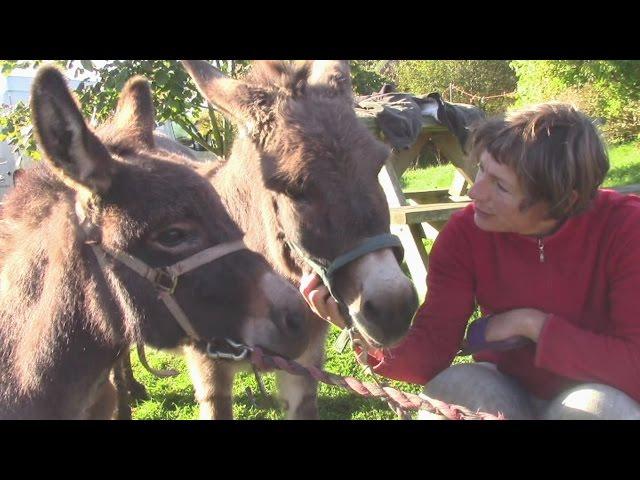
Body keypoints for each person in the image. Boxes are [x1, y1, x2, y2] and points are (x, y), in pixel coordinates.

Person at [300, 102, 640, 420]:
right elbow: (431, 352)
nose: (475, 192)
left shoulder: (626, 228)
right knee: (451, 391)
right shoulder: (466, 232)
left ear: (563, 200)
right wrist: (362, 327)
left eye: (501, 187)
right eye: (481, 170)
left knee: (600, 408)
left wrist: (533, 326)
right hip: (507, 384)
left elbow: (634, 365)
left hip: (604, 388)